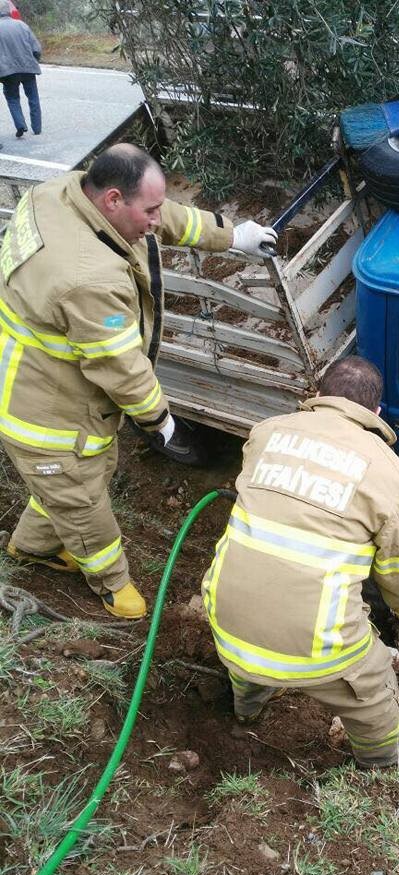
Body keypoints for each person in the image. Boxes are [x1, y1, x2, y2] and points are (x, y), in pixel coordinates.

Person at [0, 142, 277, 619]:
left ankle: (32, 546)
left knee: (72, 483)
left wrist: (233, 236)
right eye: (146, 209)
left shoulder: (62, 193)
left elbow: (165, 215)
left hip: (53, 378)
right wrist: (160, 422)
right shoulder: (86, 278)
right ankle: (110, 583)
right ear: (113, 200)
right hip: (43, 412)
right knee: (82, 501)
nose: (155, 220)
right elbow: (121, 367)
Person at [202, 356, 399, 768]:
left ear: (317, 396)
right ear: (376, 413)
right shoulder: (389, 473)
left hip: (226, 617)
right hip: (315, 644)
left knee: (251, 649)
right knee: (371, 679)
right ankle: (385, 754)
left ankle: (249, 705)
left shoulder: (266, 433)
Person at [0, 0, 42, 138]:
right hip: (28, 68)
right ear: (9, 11)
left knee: (12, 98)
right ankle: (37, 128)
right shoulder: (22, 25)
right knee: (33, 97)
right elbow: (36, 48)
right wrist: (33, 61)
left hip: (8, 72)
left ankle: (20, 125)